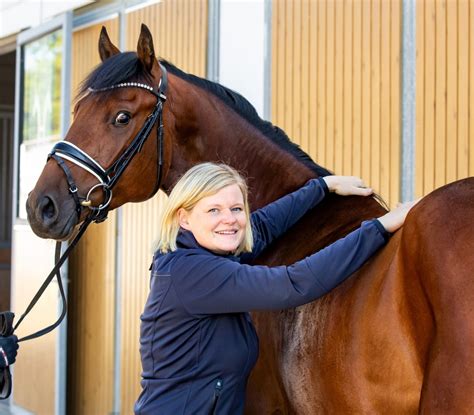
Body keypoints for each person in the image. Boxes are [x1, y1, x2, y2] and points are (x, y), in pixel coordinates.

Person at [134, 162, 416, 414]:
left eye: (236, 209)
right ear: (183, 218)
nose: (229, 219)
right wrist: (378, 228)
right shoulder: (194, 273)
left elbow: (264, 226)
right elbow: (293, 284)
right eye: (213, 210)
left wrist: (321, 187)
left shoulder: (196, 252)